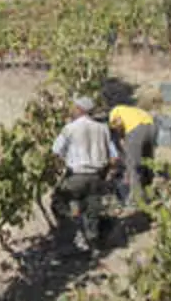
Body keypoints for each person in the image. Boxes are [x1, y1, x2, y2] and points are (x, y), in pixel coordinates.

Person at [50, 96, 118, 253]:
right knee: (92, 209)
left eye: (74, 107)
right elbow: (114, 157)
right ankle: (94, 242)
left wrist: (60, 167)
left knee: (58, 202)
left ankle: (73, 232)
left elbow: (55, 151)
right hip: (97, 177)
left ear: (79, 110)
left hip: (77, 176)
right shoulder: (103, 128)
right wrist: (107, 175)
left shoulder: (70, 128)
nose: (72, 110)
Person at [108, 103, 156, 207]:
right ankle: (151, 189)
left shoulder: (114, 112)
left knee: (133, 165)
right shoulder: (131, 110)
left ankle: (137, 198)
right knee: (147, 161)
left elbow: (118, 124)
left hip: (136, 129)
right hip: (151, 126)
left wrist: (121, 138)